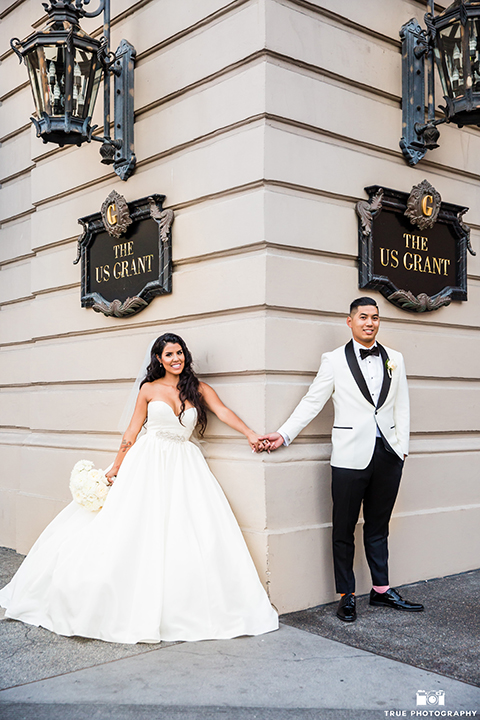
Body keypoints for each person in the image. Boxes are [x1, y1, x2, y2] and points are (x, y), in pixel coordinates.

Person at [0, 333, 278, 643]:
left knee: (189, 526)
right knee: (133, 524)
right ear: (159, 359)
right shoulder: (148, 389)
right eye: (169, 354)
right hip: (147, 460)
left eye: (180, 352)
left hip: (185, 462)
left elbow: (223, 412)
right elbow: (132, 430)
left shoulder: (197, 389)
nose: (176, 358)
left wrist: (251, 434)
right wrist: (116, 467)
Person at [259, 297, 424, 622]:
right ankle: (346, 595)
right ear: (349, 321)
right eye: (363, 317)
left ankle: (380, 590)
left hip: (388, 455)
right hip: (349, 456)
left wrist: (401, 447)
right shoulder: (334, 360)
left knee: (379, 526)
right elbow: (312, 401)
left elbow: (401, 405)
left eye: (375, 318)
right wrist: (284, 434)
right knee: (344, 528)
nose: (369, 323)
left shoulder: (396, 359)